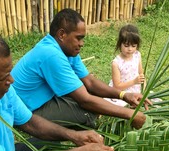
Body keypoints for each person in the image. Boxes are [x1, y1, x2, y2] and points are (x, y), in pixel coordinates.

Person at [11, 8, 151, 129]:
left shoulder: (66, 49)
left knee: (96, 99)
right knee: (89, 112)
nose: (82, 43)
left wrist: (124, 96)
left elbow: (89, 82)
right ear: (61, 34)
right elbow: (85, 100)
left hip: (43, 99)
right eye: (78, 38)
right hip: (25, 110)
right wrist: (130, 114)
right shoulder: (51, 54)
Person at [106, 24, 146, 107]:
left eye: (134, 46)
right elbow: (117, 87)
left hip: (135, 89)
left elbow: (141, 73)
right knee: (122, 105)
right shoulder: (116, 63)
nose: (130, 49)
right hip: (122, 92)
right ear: (120, 44)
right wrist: (134, 82)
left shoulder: (137, 55)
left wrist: (144, 86)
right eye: (126, 45)